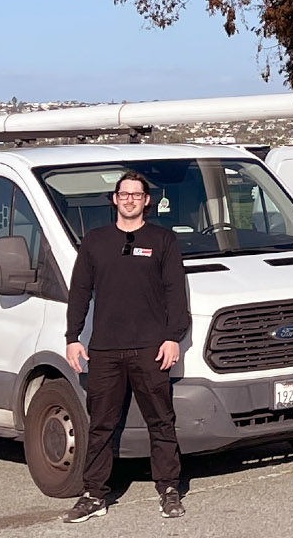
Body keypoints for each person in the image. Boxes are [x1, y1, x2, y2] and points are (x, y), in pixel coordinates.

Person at [61, 171, 191, 522]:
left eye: (137, 194)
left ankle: (168, 489)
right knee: (101, 424)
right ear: (114, 200)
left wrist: (173, 337)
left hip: (151, 348)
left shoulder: (163, 240)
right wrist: (73, 338)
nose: (130, 199)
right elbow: (80, 293)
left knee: (161, 422)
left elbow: (175, 292)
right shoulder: (95, 241)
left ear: (147, 200)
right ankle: (94, 495)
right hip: (105, 349)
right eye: (124, 194)